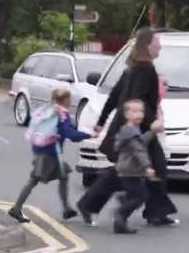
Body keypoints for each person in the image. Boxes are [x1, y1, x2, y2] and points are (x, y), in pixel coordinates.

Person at [77, 28, 179, 227]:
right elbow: (137, 100)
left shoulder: (132, 68)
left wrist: (101, 121)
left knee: (122, 171)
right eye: (157, 43)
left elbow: (114, 96)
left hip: (125, 128)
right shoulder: (146, 69)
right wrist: (153, 123)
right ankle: (153, 212)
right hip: (134, 129)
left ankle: (89, 205)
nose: (160, 46)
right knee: (154, 167)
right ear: (147, 46)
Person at [9, 88, 92, 223]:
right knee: (34, 179)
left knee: (63, 176)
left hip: (41, 150)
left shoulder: (47, 109)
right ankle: (16, 208)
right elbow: (71, 135)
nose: (70, 102)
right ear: (65, 100)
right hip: (50, 154)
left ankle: (66, 209)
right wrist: (89, 134)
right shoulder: (62, 114)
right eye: (69, 99)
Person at [113, 99, 165, 234]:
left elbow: (140, 141)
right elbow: (139, 150)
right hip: (130, 170)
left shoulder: (129, 130)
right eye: (135, 111)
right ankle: (120, 212)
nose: (139, 114)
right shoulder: (131, 132)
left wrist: (152, 131)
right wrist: (147, 166)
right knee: (140, 196)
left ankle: (121, 219)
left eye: (141, 111)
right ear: (126, 115)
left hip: (128, 169)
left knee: (136, 195)